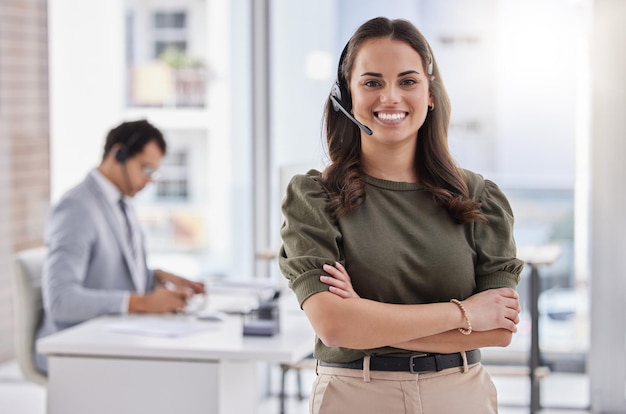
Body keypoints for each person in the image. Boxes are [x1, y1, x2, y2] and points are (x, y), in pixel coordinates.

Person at [278, 17, 524, 413]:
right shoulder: (314, 196)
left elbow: (497, 330)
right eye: (372, 82)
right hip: (356, 394)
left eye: (407, 81)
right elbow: (334, 326)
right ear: (347, 95)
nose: (390, 97)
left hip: (459, 395)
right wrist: (464, 314)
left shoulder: (479, 197)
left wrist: (366, 318)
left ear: (429, 93)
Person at [35, 119, 205, 373]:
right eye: (146, 169)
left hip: (116, 338)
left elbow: (107, 275)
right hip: (78, 348)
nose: (150, 181)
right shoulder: (77, 207)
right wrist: (142, 303)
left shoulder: (122, 203)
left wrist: (156, 278)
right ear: (118, 154)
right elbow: (61, 300)